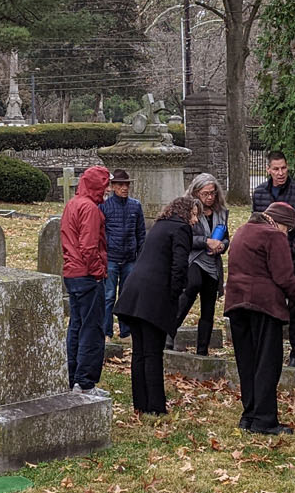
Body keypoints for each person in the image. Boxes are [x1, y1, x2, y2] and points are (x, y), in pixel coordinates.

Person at [224, 201, 295, 434]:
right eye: (288, 229)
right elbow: (285, 276)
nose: (287, 234)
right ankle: (265, 421)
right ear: (280, 223)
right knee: (267, 363)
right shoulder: (274, 236)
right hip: (264, 306)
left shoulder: (243, 230)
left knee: (247, 362)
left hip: (236, 304)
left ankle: (249, 415)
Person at [115, 196, 199, 414]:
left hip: (133, 293)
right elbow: (179, 266)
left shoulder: (160, 226)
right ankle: (156, 407)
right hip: (153, 297)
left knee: (140, 352)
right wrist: (174, 295)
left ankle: (140, 403)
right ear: (185, 212)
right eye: (195, 214)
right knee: (152, 353)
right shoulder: (181, 229)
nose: (196, 220)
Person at [251, 152, 295, 368]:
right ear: (268, 170)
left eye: (284, 168)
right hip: (265, 258)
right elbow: (256, 222)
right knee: (267, 301)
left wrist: (290, 251)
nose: (280, 173)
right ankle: (268, 349)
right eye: (276, 169)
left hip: (292, 256)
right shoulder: (260, 192)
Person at [61, 164, 111, 392]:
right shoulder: (90, 209)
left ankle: (72, 378)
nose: (108, 190)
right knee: (92, 328)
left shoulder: (73, 204)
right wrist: (99, 271)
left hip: (72, 272)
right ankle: (86, 381)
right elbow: (89, 246)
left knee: (77, 326)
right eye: (105, 185)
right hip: (87, 274)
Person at [175, 173, 230, 356]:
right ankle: (168, 334)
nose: (209, 197)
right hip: (194, 258)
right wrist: (206, 241)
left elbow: (226, 238)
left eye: (213, 193)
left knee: (209, 305)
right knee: (190, 290)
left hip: (212, 263)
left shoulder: (221, 212)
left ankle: (202, 349)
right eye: (205, 193)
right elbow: (184, 238)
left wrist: (222, 245)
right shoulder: (189, 210)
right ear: (196, 192)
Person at [101, 170, 147, 337]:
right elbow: (102, 232)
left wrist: (140, 254)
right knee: (109, 295)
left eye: (126, 184)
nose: (124, 188)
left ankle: (126, 329)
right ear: (113, 187)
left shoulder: (135, 205)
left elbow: (140, 232)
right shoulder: (105, 206)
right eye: (120, 185)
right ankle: (106, 329)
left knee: (127, 295)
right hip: (112, 258)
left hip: (129, 258)